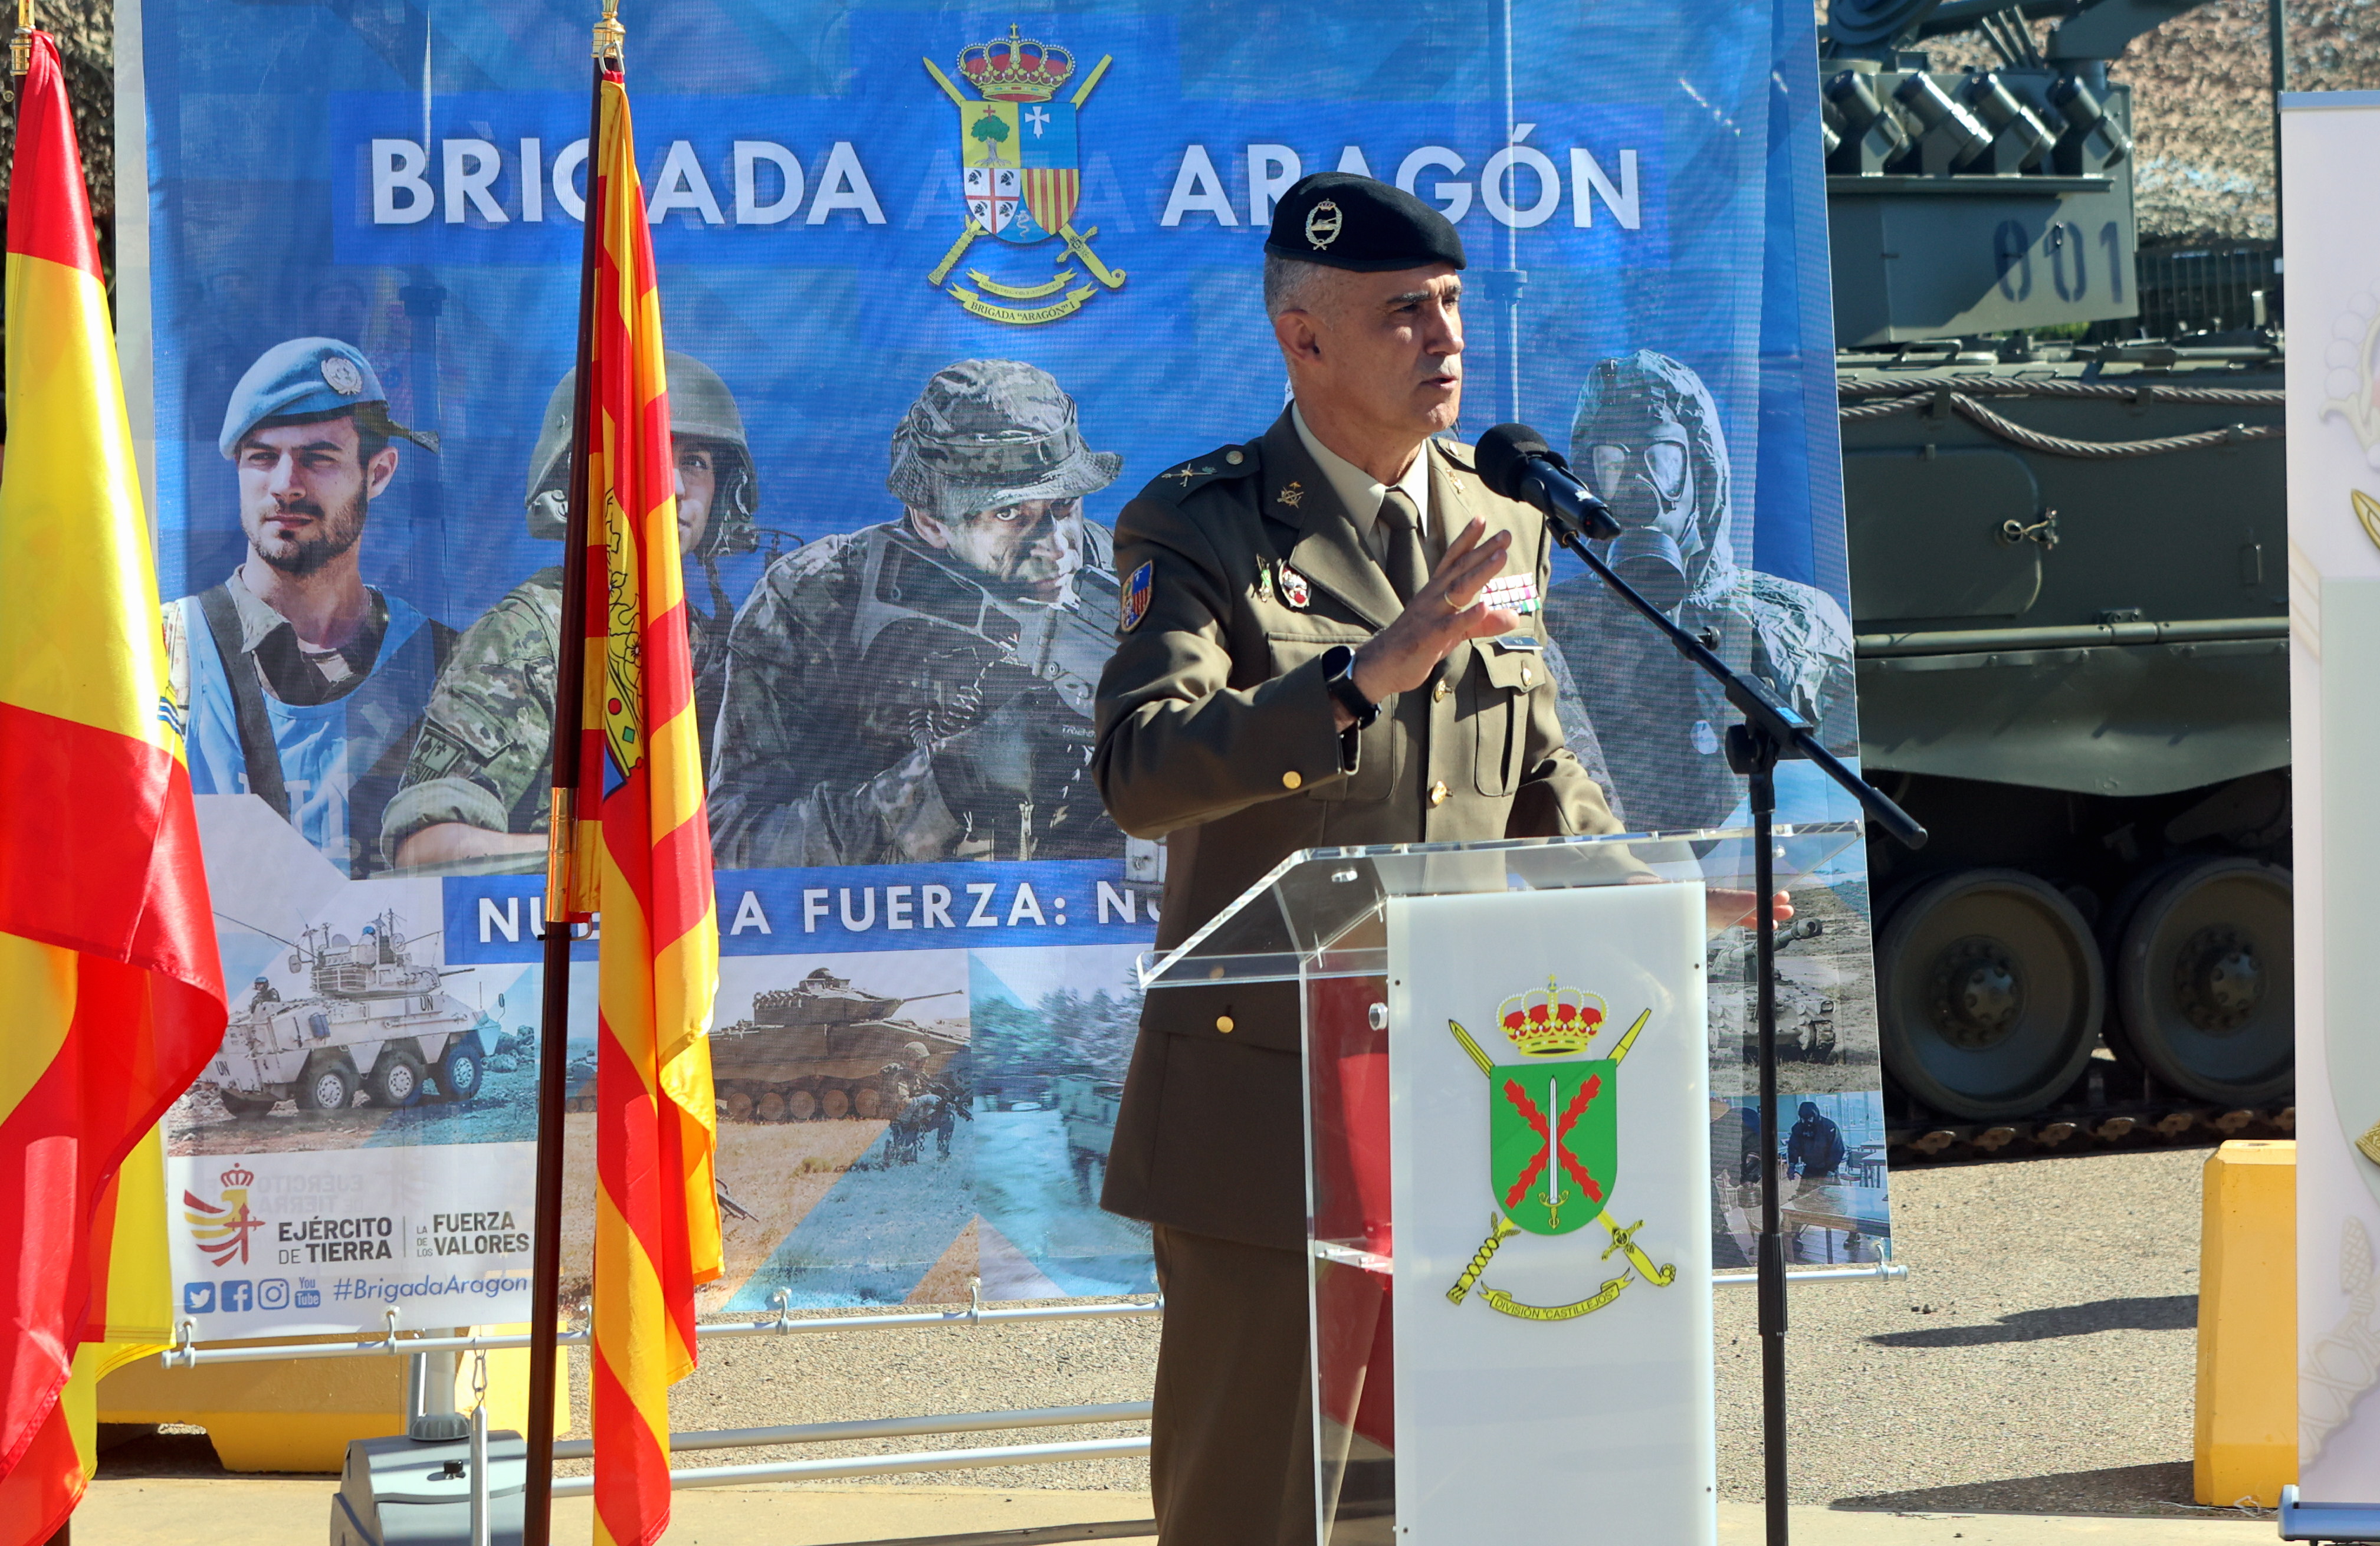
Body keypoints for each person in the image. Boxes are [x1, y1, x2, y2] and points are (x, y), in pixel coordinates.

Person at [1091, 171, 1620, 1546]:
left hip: (1471, 1098)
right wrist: (1350, 680)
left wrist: (1648, 894)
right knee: (1249, 1509)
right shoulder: (1199, 527)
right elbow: (1141, 770)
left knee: (1445, 1500)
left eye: (1450, 305)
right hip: (1267, 1105)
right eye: (1402, 313)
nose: (1443, 339)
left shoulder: (1502, 521)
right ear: (1303, 337)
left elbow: (1537, 772)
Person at [709, 360, 1127, 866]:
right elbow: (729, 850)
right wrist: (946, 781)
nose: (1059, 549)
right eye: (1011, 514)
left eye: (1064, 505)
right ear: (930, 520)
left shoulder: (1127, 581)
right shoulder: (820, 599)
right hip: (885, 936)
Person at [379, 355, 762, 872]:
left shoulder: (721, 647)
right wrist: (619, 867)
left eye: (695, 462)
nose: (672, 487)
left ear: (721, 497)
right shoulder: (534, 634)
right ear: (582, 482)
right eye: (645, 454)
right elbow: (427, 850)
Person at [164, 337, 453, 876]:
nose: (285, 486)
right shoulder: (164, 656)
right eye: (262, 457)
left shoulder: (447, 666)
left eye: (318, 458)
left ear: (379, 473)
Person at [1546, 349, 1858, 832]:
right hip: (1619, 883)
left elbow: (1835, 811)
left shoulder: (1798, 622)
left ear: (1703, 474)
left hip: (1761, 883)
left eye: (1663, 461)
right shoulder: (1556, 625)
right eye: (1613, 462)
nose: (1638, 486)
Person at [1786, 1098, 1847, 1180]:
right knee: (1804, 1193)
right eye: (1804, 1119)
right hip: (1810, 1168)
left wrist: (1831, 1170)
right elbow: (1793, 1148)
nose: (1807, 1123)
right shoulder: (1798, 1128)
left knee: (1831, 1193)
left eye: (1810, 1119)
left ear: (1816, 1116)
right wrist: (1792, 1165)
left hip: (1828, 1169)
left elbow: (1837, 1150)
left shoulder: (1829, 1127)